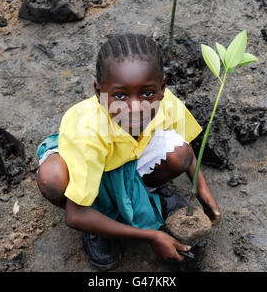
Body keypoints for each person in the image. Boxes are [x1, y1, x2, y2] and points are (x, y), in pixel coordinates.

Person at [36, 34, 220, 271]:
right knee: (53, 179)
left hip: (130, 157)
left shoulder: (165, 102)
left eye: (147, 94)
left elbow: (188, 150)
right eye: (120, 96)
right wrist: (152, 237)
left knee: (180, 153)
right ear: (98, 92)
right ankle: (99, 223)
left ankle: (147, 191)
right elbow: (74, 215)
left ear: (162, 88)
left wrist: (202, 188)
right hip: (91, 163)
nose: (136, 109)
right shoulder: (88, 131)